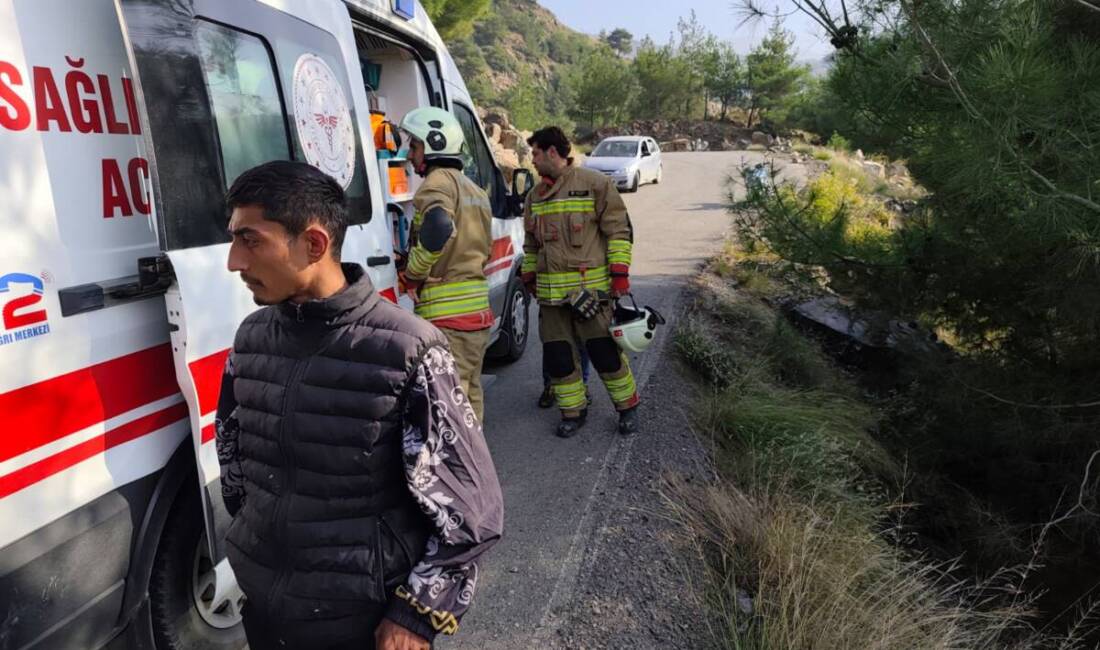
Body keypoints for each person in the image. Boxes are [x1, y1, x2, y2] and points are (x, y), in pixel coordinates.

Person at [214, 160, 503, 650]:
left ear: (314, 244)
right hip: (266, 607)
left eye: (251, 240)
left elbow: (471, 513)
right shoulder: (251, 339)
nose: (234, 262)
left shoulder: (408, 350)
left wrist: (417, 614)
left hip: (361, 620)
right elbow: (235, 463)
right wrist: (254, 551)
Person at [521, 127, 641, 437]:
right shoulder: (534, 197)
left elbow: (619, 232)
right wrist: (530, 275)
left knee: (605, 354)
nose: (532, 160)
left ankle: (628, 407)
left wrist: (619, 276)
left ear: (552, 153)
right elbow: (532, 245)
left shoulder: (596, 185)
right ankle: (573, 412)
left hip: (591, 296)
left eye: (535, 153)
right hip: (552, 302)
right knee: (559, 360)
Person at [397, 107, 493, 423]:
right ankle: (474, 463)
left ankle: (459, 467)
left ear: (433, 144)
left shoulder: (436, 182)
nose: (410, 155)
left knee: (448, 405)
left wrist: (413, 272)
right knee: (469, 395)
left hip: (449, 318)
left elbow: (438, 227)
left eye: (414, 146)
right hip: (476, 315)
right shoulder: (475, 190)